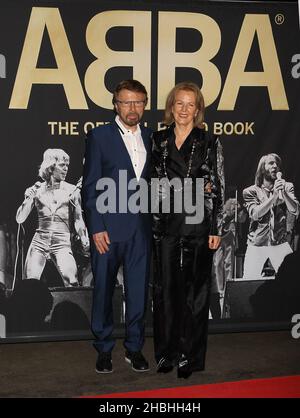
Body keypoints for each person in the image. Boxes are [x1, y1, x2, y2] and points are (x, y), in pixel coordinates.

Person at [151, 81, 225, 378]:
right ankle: (167, 353)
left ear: (198, 109)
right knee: (165, 292)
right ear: (172, 107)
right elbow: (155, 186)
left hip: (199, 224)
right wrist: (156, 226)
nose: (183, 109)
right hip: (167, 226)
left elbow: (217, 186)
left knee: (195, 294)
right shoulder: (159, 140)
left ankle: (189, 357)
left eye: (189, 104)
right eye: (179, 103)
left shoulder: (209, 141)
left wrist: (217, 228)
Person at [82, 80, 152, 374]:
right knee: (103, 292)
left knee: (138, 292)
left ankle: (134, 348)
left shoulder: (153, 136)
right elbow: (90, 187)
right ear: (116, 104)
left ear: (145, 104)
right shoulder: (99, 136)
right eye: (126, 102)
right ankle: (104, 347)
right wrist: (96, 227)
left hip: (142, 230)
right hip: (107, 230)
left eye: (138, 102)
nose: (132, 108)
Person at [16, 149, 89, 287]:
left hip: (62, 241)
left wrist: (84, 237)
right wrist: (28, 199)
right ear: (51, 166)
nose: (66, 169)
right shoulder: (37, 190)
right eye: (62, 165)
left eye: (67, 165)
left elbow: (78, 219)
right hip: (39, 241)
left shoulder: (72, 191)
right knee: (29, 283)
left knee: (72, 282)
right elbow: (20, 219)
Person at [242, 153, 299, 279]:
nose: (275, 166)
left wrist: (283, 193)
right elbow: (255, 214)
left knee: (292, 279)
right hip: (257, 244)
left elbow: (295, 210)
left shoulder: (287, 187)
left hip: (280, 242)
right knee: (248, 281)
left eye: (277, 164)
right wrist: (273, 197)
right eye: (271, 163)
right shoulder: (250, 191)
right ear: (262, 168)